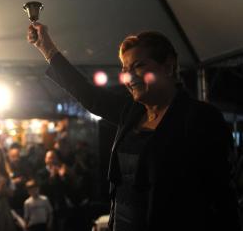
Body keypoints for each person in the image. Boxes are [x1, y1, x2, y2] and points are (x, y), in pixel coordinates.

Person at [27, 23, 241, 231]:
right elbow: (88, 94)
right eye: (125, 70)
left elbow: (222, 197)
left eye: (138, 66)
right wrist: (47, 49)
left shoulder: (199, 118)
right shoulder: (131, 112)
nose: (130, 77)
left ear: (168, 66)